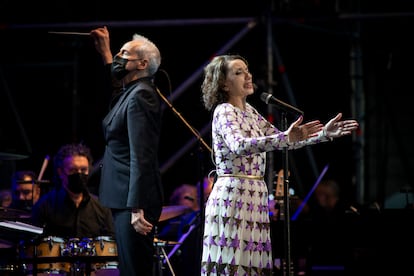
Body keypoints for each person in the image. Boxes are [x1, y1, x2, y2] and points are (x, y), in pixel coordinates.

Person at [200, 54, 359, 275]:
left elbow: (284, 140)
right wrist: (286, 138)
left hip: (254, 193)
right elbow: (239, 145)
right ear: (224, 84)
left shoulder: (251, 113)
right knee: (234, 263)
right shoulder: (224, 111)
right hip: (234, 194)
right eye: (238, 72)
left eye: (247, 70)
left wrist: (323, 134)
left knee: (253, 264)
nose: (248, 75)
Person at [90, 26, 164, 276]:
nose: (119, 59)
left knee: (135, 270)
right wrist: (106, 53)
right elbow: (115, 85)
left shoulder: (142, 96)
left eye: (124, 54)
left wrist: (137, 206)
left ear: (142, 63)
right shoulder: (131, 92)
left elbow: (141, 154)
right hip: (123, 196)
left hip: (134, 202)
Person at [30, 143, 116, 274]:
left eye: (83, 170)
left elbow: (111, 242)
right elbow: (32, 244)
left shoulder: (101, 206)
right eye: (73, 170)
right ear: (60, 172)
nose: (79, 174)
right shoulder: (45, 205)